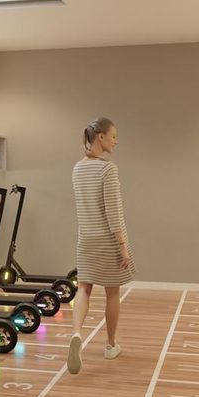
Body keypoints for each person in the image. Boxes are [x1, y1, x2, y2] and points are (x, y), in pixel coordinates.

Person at [68, 117, 135, 374]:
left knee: (83, 289)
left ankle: (76, 334)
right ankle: (110, 345)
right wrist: (123, 246)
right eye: (114, 136)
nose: (116, 141)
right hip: (108, 239)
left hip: (85, 238)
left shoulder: (77, 168)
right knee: (112, 293)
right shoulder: (108, 169)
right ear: (101, 137)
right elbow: (113, 213)